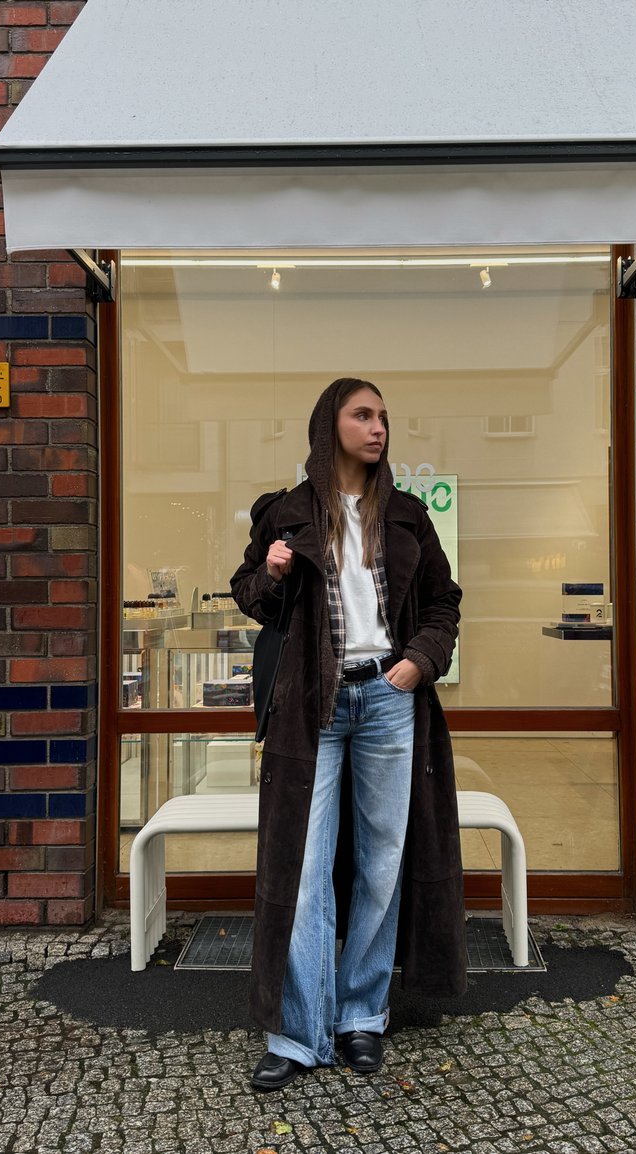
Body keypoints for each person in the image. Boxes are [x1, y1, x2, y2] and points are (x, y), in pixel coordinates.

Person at [231, 377, 466, 1091]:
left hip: (388, 702)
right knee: (301, 871)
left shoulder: (406, 515)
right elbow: (250, 595)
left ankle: (362, 1014)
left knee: (382, 864)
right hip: (313, 706)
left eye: (384, 417)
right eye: (363, 415)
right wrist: (269, 572)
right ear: (329, 424)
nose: (378, 427)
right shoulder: (288, 512)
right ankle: (298, 1032)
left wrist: (417, 664)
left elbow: (443, 603)